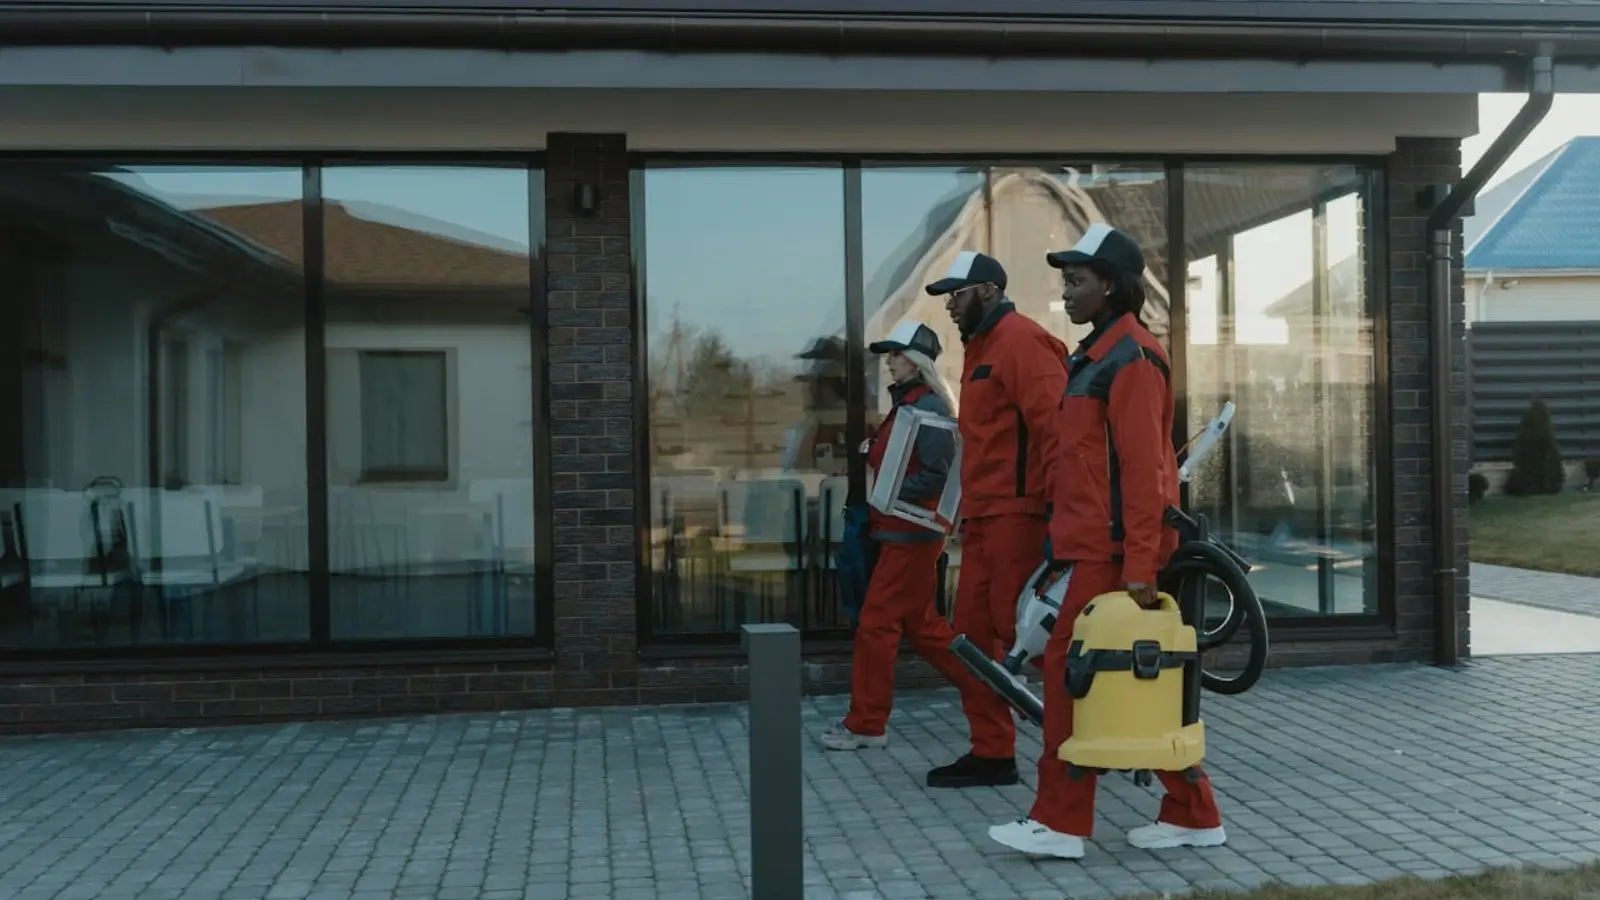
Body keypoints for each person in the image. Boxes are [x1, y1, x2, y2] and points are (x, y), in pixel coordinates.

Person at [987, 223, 1227, 859]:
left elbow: (1148, 473)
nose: (1065, 294)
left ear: (1113, 286)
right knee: (1132, 680)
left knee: (1077, 675)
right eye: (1065, 281)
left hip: (1117, 557)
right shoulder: (1094, 358)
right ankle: (1194, 813)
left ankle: (1060, 823)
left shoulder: (1132, 360)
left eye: (1077, 281)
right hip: (1090, 548)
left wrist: (1142, 568)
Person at [922, 251, 1071, 789]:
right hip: (984, 521)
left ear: (986, 290)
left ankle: (1076, 756)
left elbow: (1059, 433)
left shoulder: (1023, 343)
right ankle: (992, 752)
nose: (950, 308)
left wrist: (1061, 517)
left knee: (1026, 641)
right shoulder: (981, 348)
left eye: (956, 296)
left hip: (1022, 518)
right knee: (970, 639)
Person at [821, 320, 994, 751]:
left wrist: (890, 490)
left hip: (910, 535)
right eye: (888, 355)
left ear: (917, 360)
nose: (889, 363)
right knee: (925, 627)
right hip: (901, 532)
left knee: (876, 625)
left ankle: (866, 724)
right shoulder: (910, 405)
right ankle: (990, 690)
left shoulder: (928, 406)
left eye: (897, 355)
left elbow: (936, 473)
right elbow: (909, 460)